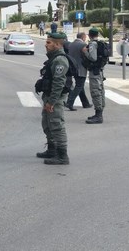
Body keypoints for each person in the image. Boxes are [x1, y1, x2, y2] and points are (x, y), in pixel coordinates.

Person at [36, 32, 70, 165]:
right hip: (49, 96)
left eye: (49, 43)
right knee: (47, 124)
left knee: (56, 125)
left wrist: (52, 102)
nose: (46, 45)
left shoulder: (60, 60)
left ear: (57, 44)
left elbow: (58, 83)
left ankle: (62, 156)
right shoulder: (53, 58)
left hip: (54, 99)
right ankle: (52, 150)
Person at [83, 28, 106, 124]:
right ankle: (99, 113)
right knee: (100, 91)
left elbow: (93, 57)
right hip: (100, 71)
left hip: (94, 72)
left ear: (89, 35)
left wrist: (85, 52)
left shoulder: (93, 44)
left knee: (95, 92)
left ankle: (98, 115)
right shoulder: (101, 43)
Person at [65, 32, 92, 111]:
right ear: (83, 37)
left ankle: (85, 103)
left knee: (80, 86)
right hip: (81, 68)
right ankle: (69, 102)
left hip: (73, 68)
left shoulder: (71, 44)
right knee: (79, 86)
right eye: (85, 37)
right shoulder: (83, 45)